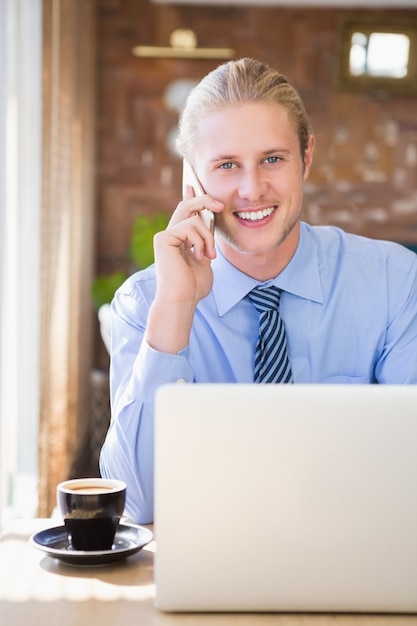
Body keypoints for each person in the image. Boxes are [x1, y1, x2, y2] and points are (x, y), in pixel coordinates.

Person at [100, 58, 417, 524]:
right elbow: (137, 503)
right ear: (193, 180)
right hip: (209, 577)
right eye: (227, 165)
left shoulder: (395, 281)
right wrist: (176, 307)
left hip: (355, 568)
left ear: (306, 157)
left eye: (273, 159)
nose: (253, 189)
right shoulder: (145, 303)